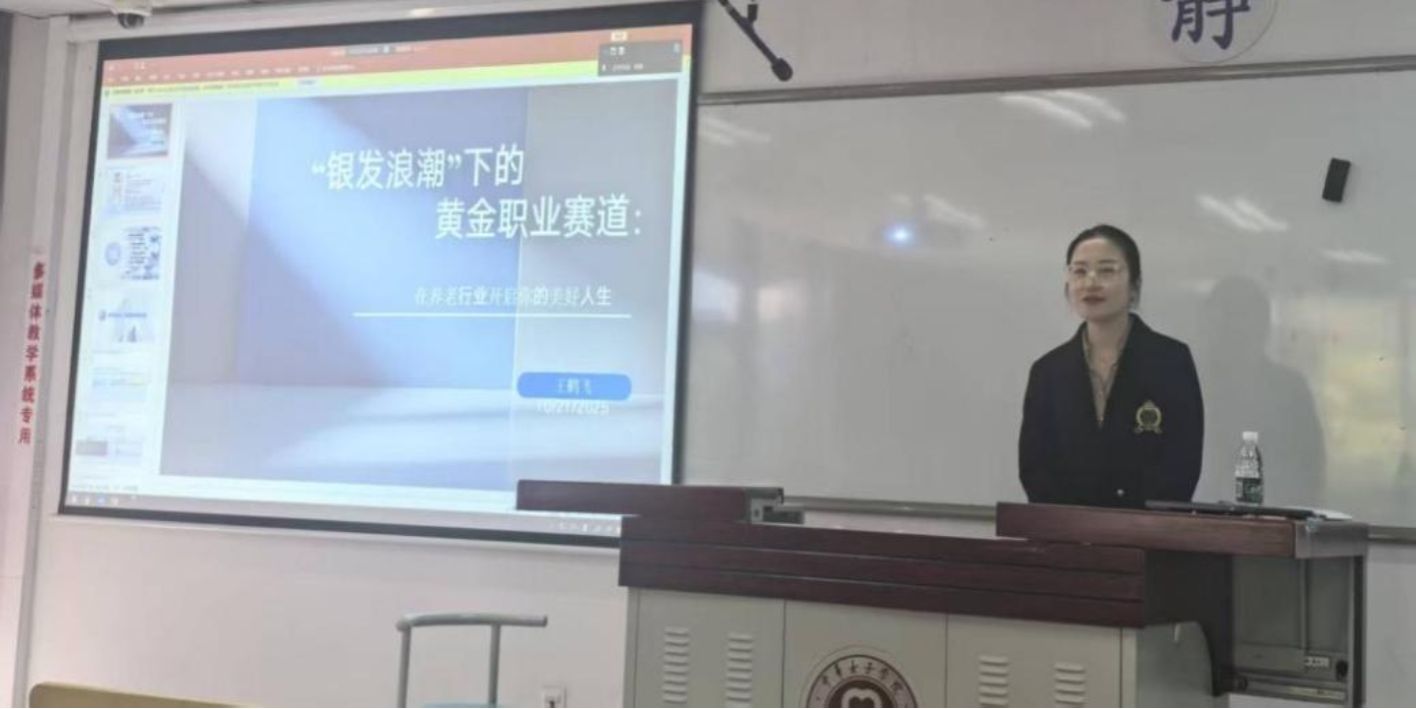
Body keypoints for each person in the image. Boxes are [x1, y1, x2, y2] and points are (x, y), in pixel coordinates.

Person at [1018, 224, 1203, 508]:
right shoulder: (1048, 372)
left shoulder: (1171, 361)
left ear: (1134, 285)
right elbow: (1035, 468)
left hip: (1149, 530)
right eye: (1079, 271)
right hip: (1066, 531)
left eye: (1106, 270)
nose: (1091, 282)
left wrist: (1132, 525)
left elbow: (1182, 463)